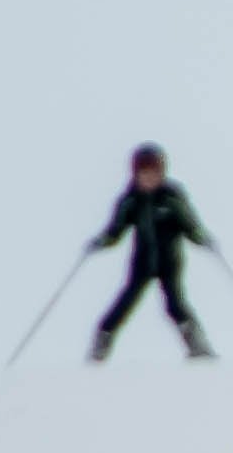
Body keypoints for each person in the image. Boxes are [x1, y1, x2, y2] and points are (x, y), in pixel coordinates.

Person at [83, 144, 217, 362]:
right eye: (143, 174)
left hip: (169, 262)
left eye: (153, 174)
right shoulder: (131, 201)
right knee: (126, 302)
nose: (148, 179)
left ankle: (196, 344)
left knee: (175, 303)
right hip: (143, 263)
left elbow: (189, 225)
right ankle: (102, 341)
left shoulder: (172, 198)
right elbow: (116, 230)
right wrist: (102, 241)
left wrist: (200, 237)